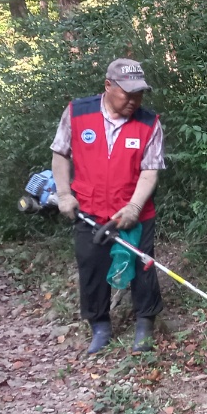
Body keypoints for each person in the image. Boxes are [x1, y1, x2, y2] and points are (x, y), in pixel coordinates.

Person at [50, 58, 165, 354]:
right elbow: (60, 153)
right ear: (108, 86)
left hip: (133, 211)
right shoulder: (77, 113)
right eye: (128, 93)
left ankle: (144, 324)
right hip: (88, 210)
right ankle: (99, 325)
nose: (134, 100)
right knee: (91, 266)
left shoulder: (149, 122)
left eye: (139, 93)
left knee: (143, 265)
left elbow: (150, 171)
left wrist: (135, 207)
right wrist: (64, 194)